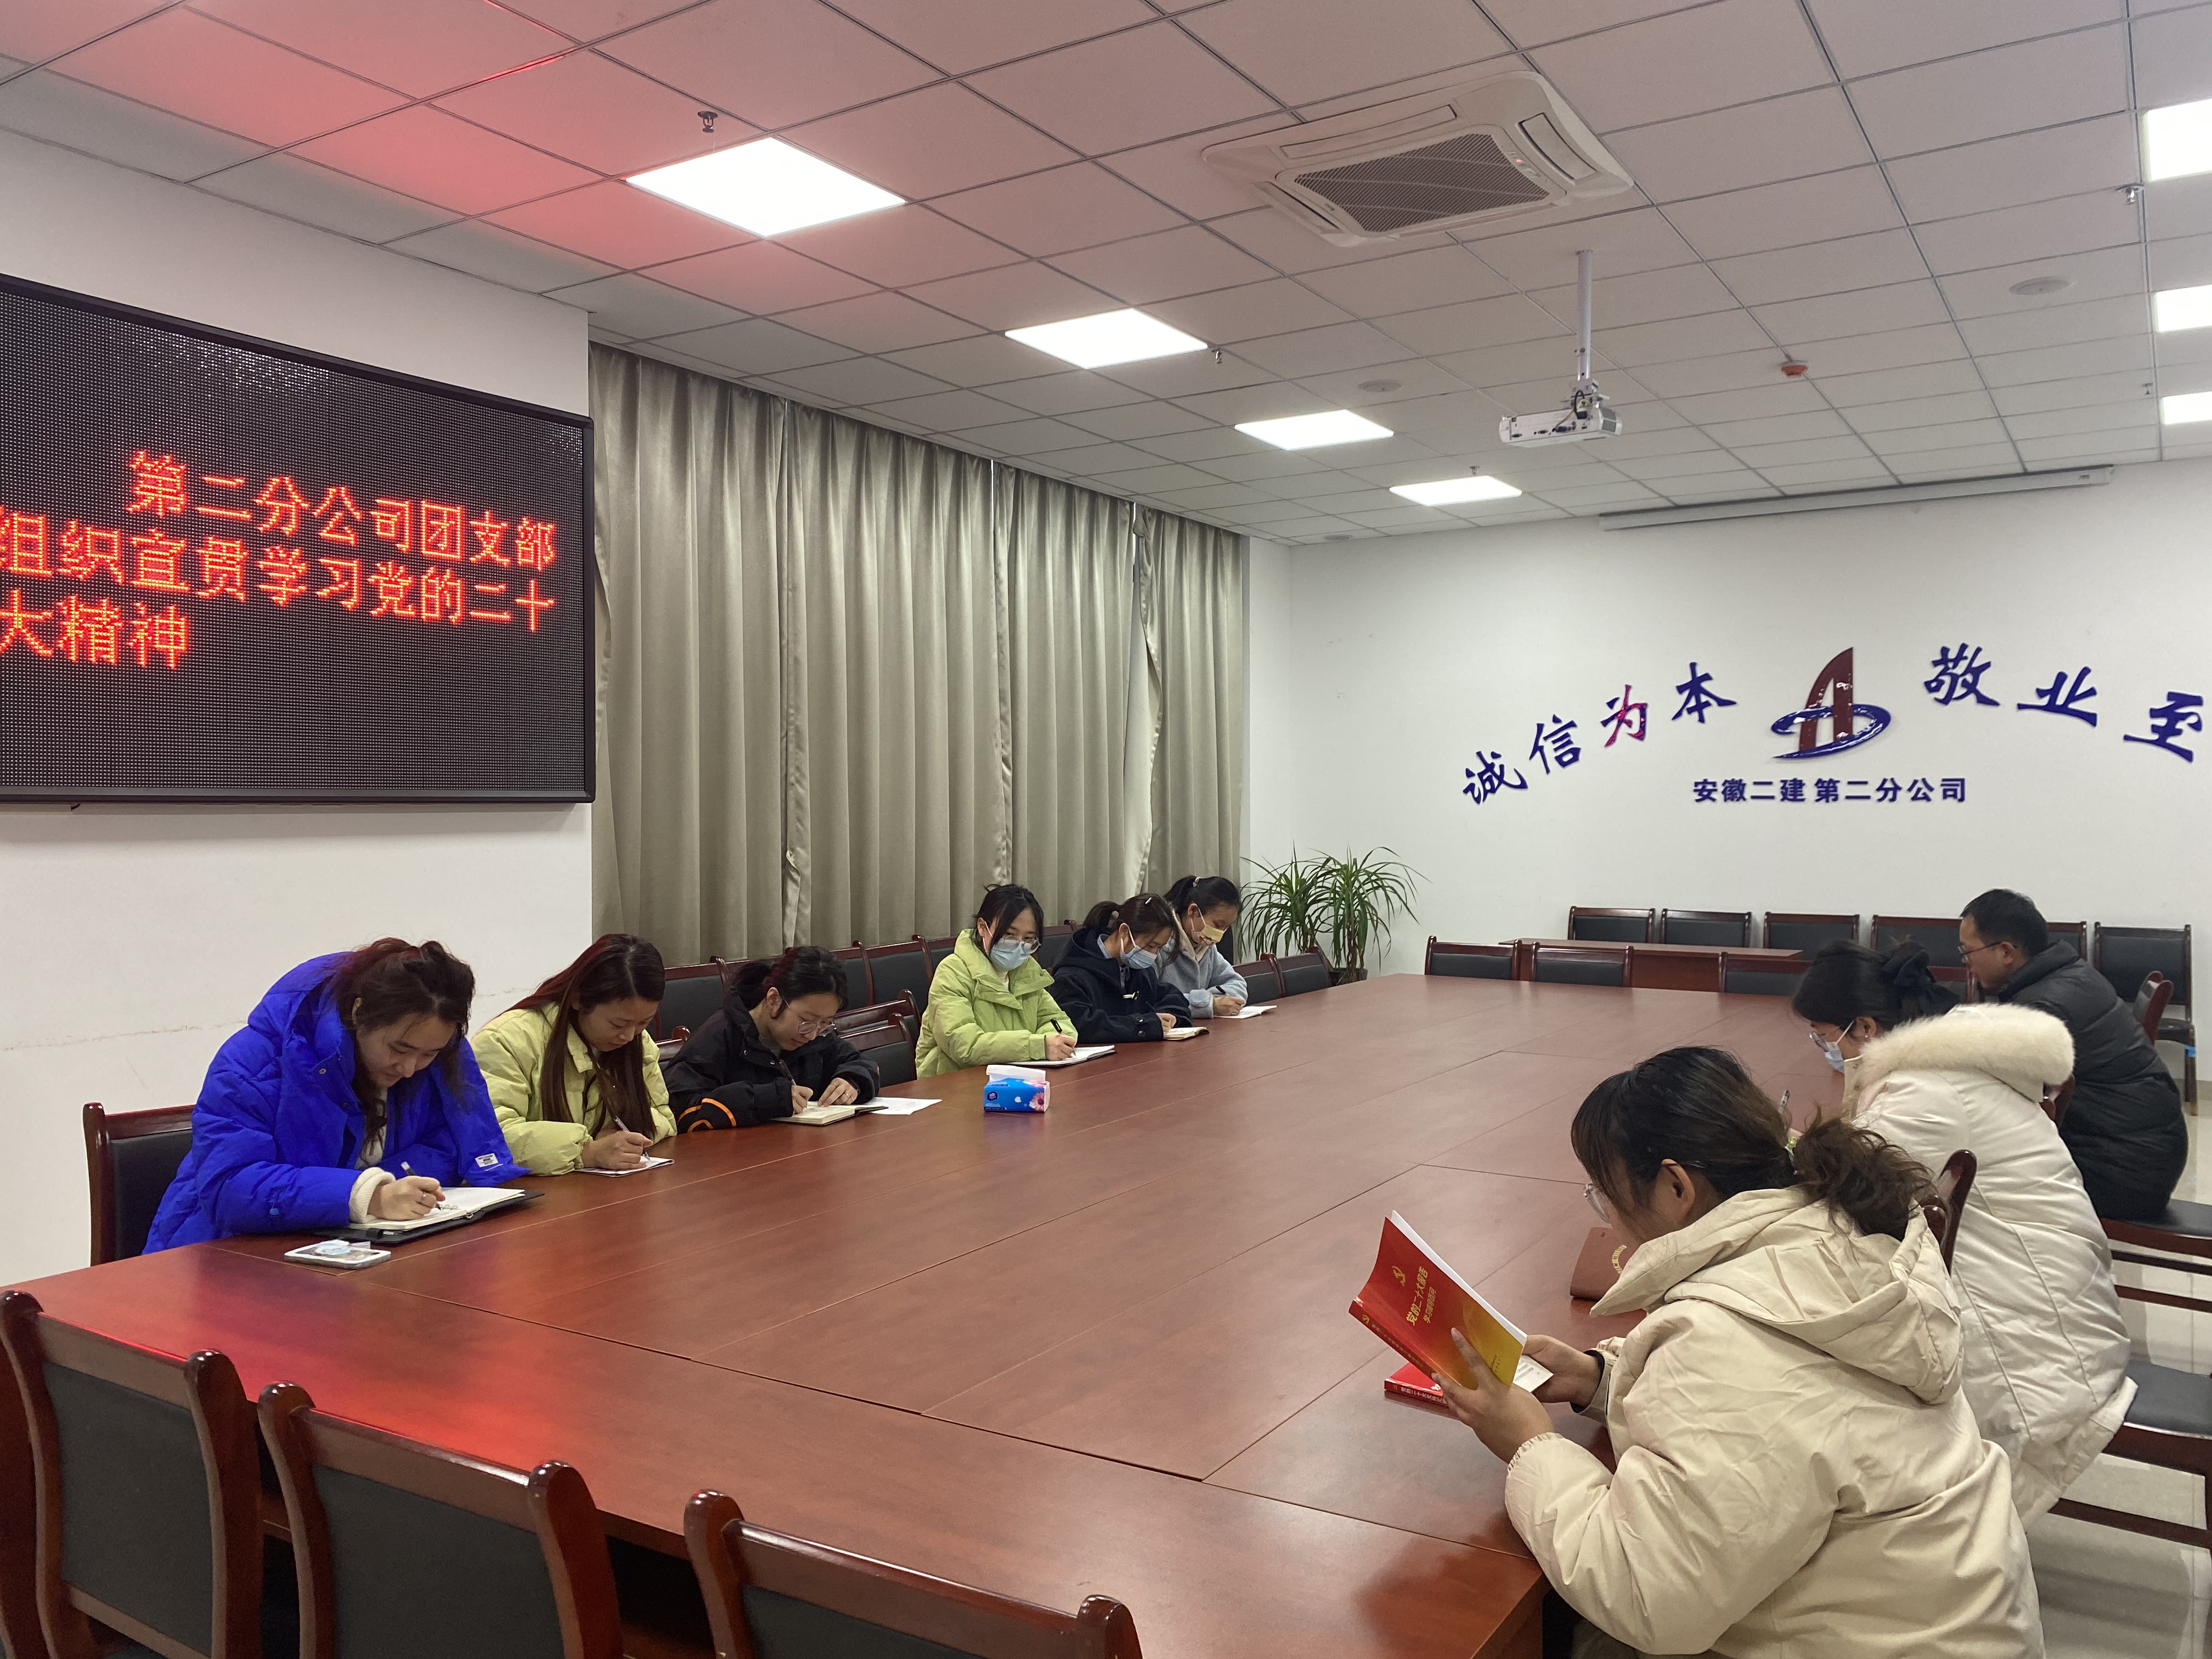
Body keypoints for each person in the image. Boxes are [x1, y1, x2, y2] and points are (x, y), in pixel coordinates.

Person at [1429, 1046, 2042, 1659]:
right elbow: (1780, 1419)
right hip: (1950, 1620)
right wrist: (1602, 1380)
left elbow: (1650, 1598)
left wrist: (1529, 1444)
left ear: (1675, 1186)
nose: (1608, 1216)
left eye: (1604, 1194)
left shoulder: (1723, 1344)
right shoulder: (1842, 1229)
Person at [1794, 940, 2131, 1518]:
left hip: (2038, 1349)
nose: (1826, 1050)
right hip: (2061, 1295)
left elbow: (1843, 1197)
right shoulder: (1947, 1063)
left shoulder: (1924, 1090)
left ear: (1866, 1028)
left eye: (1826, 1036)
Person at [145, 940, 528, 1250]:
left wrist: (392, 1188)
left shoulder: (437, 1067)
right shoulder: (251, 1063)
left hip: (345, 1251)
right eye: (399, 1049)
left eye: (429, 1054)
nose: (410, 1068)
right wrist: (368, 1195)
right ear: (359, 1014)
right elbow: (230, 1188)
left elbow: (448, 1146)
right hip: (222, 1256)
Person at [1961, 888, 2186, 1218]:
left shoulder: (2043, 1006)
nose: (1965, 963)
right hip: (2148, 1152)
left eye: (1968, 952)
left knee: (1967, 1179)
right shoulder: (2071, 972)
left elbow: (2007, 1100)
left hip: (2123, 1173)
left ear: (2006, 951)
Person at [471, 934, 674, 1174]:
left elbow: (663, 1117)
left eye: (644, 1022)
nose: (630, 1036)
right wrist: (587, 1151)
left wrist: (620, 1132)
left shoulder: (639, 1043)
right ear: (579, 999)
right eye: (618, 1024)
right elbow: (490, 1137)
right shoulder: (507, 1040)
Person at [666, 946, 879, 1130]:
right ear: (774, 999)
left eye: (825, 1023)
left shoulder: (816, 1037)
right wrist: (765, 1099)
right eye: (807, 1021)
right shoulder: (718, 1038)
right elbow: (680, 1110)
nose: (813, 1034)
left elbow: (859, 1062)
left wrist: (852, 1081)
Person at [916, 883, 1078, 1077]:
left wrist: (1055, 1043)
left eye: (1028, 939)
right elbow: (964, 1045)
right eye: (1009, 935)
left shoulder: (1026, 971)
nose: (1019, 946)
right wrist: (1037, 1046)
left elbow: (1059, 1023)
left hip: (1014, 1079)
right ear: (983, 927)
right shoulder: (952, 972)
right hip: (953, 1083)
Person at [1050, 894, 1189, 1045]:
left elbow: (1172, 998)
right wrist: (1143, 1026)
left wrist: (1169, 1017)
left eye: (1159, 948)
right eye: (1150, 946)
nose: (1153, 955)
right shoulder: (1073, 974)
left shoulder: (1138, 969)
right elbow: (1079, 1025)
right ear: (1124, 931)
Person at [1152, 874, 1248, 1018]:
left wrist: (1212, 1000)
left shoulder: (1206, 946)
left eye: (1226, 928)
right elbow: (1152, 999)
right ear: (1193, 911)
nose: (1220, 934)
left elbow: (1237, 983)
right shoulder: (1157, 944)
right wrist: (1208, 1004)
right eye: (1218, 925)